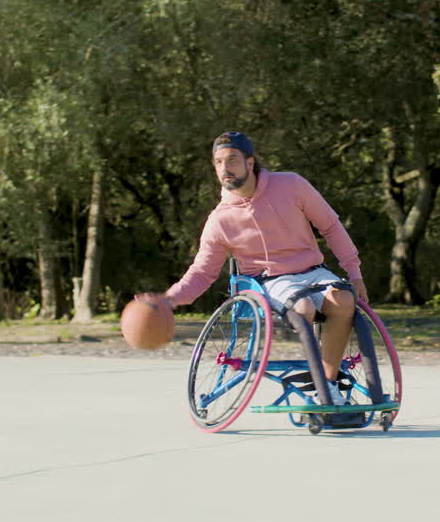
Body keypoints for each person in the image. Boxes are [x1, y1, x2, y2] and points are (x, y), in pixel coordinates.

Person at [139, 131, 367, 405]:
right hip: (268, 281)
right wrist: (169, 299)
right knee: (303, 307)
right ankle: (326, 391)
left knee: (344, 299)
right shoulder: (220, 221)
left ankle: (327, 386)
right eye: (218, 162)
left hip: (313, 271)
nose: (224, 168)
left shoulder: (292, 185)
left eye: (232, 160)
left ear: (250, 162)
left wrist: (354, 272)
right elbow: (202, 273)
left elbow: (330, 226)